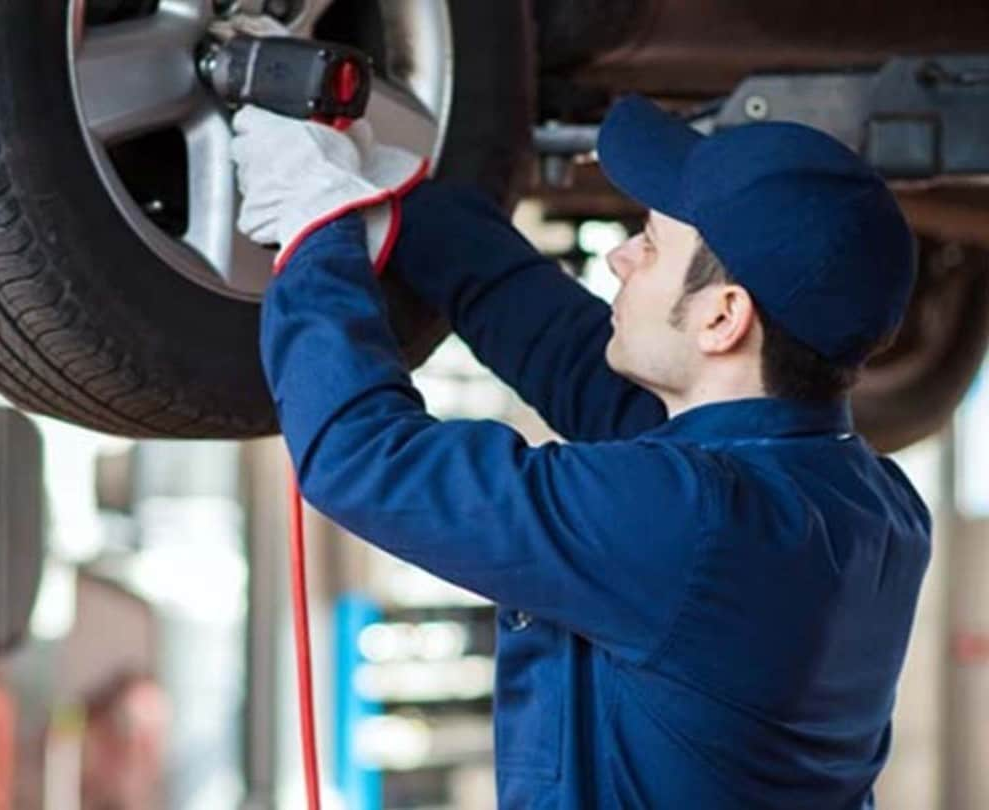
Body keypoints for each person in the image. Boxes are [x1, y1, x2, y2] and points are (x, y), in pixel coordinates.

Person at [230, 94, 931, 808]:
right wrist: (406, 198)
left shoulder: (693, 524)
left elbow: (364, 459)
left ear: (723, 318)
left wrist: (314, 230)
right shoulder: (865, 502)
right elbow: (570, 357)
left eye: (652, 245)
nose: (622, 256)